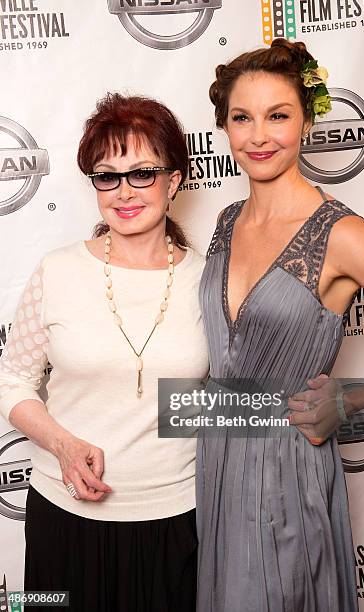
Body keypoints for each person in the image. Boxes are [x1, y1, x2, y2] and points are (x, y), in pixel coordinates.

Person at [196, 38, 364, 611]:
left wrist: (352, 398)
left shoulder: (340, 233)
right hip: (217, 455)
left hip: (286, 463)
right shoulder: (224, 220)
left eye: (278, 116)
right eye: (242, 117)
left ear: (308, 121)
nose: (259, 135)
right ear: (225, 127)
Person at [0, 93, 208, 612]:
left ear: (174, 179)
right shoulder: (58, 270)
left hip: (177, 520)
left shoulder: (207, 280)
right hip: (62, 519)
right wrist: (64, 445)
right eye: (107, 176)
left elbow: (226, 398)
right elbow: (13, 381)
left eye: (141, 173)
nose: (124, 192)